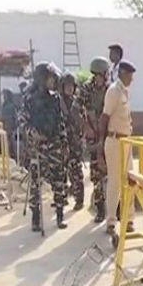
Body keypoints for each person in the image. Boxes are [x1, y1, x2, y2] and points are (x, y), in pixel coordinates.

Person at [18, 62, 68, 231]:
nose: (53, 81)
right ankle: (35, 217)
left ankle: (60, 215)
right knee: (36, 183)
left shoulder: (55, 99)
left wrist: (64, 142)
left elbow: (60, 122)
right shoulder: (29, 99)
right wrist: (33, 133)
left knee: (59, 180)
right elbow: (22, 122)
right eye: (50, 78)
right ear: (41, 79)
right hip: (38, 147)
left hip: (55, 145)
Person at [101, 60, 136, 236]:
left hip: (126, 141)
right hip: (114, 141)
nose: (132, 79)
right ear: (122, 73)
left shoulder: (124, 92)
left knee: (129, 180)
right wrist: (101, 146)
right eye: (130, 75)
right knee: (114, 182)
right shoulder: (114, 91)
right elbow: (104, 118)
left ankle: (128, 219)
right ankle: (111, 221)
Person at [75, 56, 110, 223]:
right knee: (96, 173)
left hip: (108, 133)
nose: (105, 76)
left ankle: (115, 208)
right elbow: (76, 109)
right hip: (93, 134)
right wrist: (85, 127)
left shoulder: (110, 89)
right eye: (104, 73)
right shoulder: (86, 89)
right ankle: (100, 208)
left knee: (111, 172)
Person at [59, 72, 85, 211]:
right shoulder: (57, 103)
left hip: (74, 143)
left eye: (72, 86)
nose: (69, 88)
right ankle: (62, 197)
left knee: (76, 173)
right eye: (67, 86)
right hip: (61, 143)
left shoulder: (77, 103)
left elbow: (84, 121)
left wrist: (81, 137)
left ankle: (79, 199)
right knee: (60, 172)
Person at [1, 89, 18, 160]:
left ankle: (12, 156)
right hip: (5, 126)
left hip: (10, 126)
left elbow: (15, 117)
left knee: (11, 142)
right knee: (7, 142)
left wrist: (14, 126)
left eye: (5, 95)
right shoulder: (4, 105)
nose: (4, 97)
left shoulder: (12, 106)